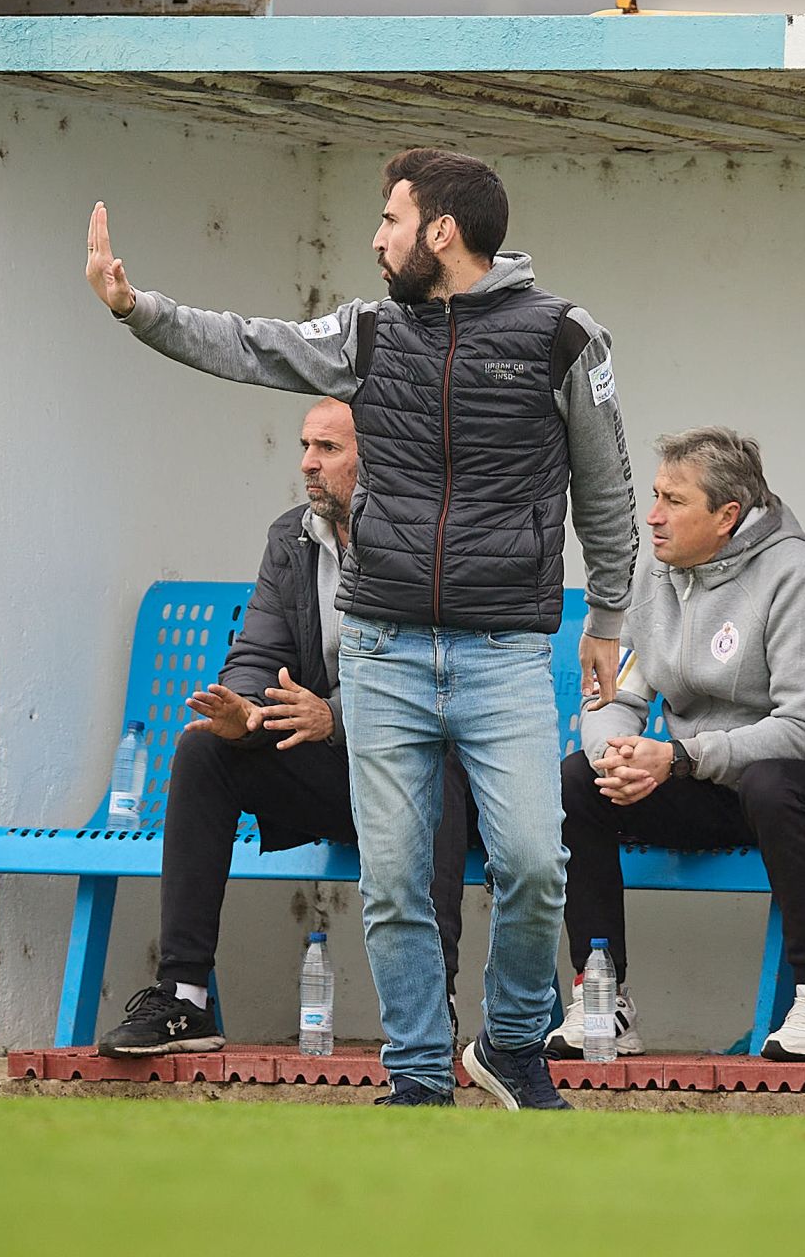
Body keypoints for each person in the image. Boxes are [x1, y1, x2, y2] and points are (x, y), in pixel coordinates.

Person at [85, 147, 638, 1108]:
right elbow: (252, 346)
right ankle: (419, 1074)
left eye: (389, 219)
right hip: (380, 648)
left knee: (534, 864)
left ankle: (510, 1044)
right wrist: (141, 310)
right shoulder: (369, 333)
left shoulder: (565, 336)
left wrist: (610, 612)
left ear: (441, 232)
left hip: (504, 653)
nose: (376, 238)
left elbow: (606, 486)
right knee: (392, 886)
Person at [95, 399, 479, 1059]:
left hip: (433, 777)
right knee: (203, 752)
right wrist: (244, 712)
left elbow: (447, 694)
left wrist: (337, 717)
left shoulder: (434, 542)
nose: (307, 462)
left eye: (327, 448)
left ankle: (428, 1006)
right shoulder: (292, 539)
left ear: (378, 454)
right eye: (305, 445)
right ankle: (185, 999)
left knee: (433, 766)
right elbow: (256, 653)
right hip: (342, 778)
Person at [549, 428, 805, 1062]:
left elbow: (802, 730)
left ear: (727, 516)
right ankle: (601, 998)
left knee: (772, 781)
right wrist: (617, 757)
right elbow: (617, 697)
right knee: (580, 779)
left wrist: (679, 758)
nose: (652, 516)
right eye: (654, 496)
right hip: (718, 782)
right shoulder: (656, 575)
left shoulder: (798, 576)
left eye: (674, 501)